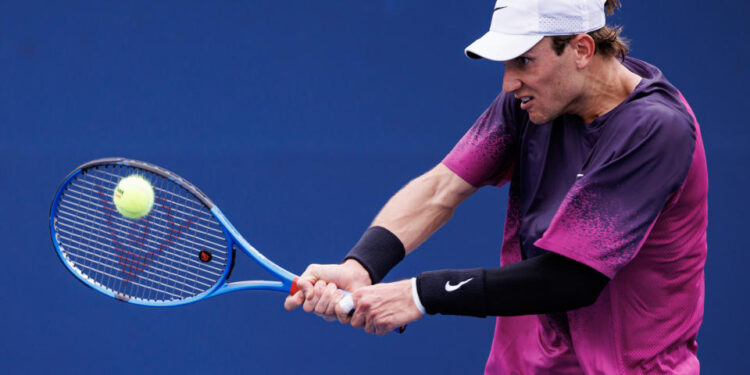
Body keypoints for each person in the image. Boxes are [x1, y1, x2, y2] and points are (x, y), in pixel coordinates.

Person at [285, 0, 708, 373]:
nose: (508, 82)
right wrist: (362, 266)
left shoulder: (657, 129)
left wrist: (419, 294)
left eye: (524, 61)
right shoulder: (531, 102)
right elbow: (441, 187)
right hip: (527, 365)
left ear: (581, 49)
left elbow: (573, 278)